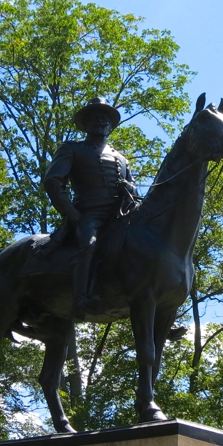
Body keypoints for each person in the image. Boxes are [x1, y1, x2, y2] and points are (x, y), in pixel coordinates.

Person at [42, 97, 140, 313]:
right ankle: (81, 298)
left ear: (110, 126)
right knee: (89, 244)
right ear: (86, 124)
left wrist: (128, 189)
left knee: (146, 245)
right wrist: (71, 212)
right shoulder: (72, 149)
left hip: (120, 214)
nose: (100, 120)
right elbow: (53, 180)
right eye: (94, 117)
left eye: (104, 117)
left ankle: (156, 303)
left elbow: (134, 188)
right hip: (89, 212)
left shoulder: (121, 158)